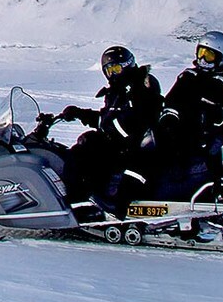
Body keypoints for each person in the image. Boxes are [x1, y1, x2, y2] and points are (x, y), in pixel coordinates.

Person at [61, 45, 162, 219]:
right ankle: (85, 198)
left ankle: (94, 204)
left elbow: (134, 119)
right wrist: (80, 113)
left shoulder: (140, 84)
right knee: (82, 146)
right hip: (123, 141)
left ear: (128, 65)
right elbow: (108, 117)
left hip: (136, 145)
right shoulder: (118, 90)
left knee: (86, 151)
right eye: (109, 70)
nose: (113, 74)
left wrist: (107, 131)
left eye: (116, 68)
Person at [157, 30, 223, 194]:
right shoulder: (188, 76)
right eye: (201, 52)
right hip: (181, 130)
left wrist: (218, 115)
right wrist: (169, 117)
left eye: (209, 55)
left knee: (211, 150)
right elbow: (172, 100)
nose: (203, 59)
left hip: (209, 134)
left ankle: (206, 188)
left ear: (222, 58)